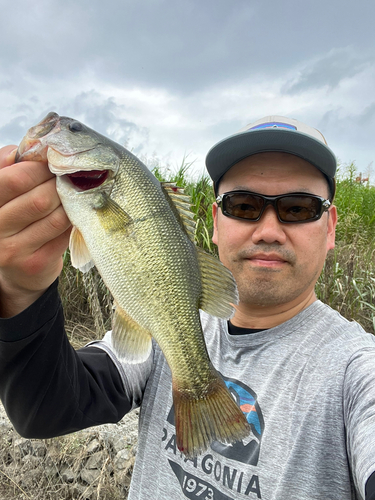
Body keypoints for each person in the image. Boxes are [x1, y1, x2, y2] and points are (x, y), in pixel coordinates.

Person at [0, 115, 374, 500]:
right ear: (215, 221)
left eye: (298, 208)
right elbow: (43, 408)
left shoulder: (357, 370)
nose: (267, 230)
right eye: (243, 205)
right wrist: (21, 293)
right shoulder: (171, 326)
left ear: (329, 227)